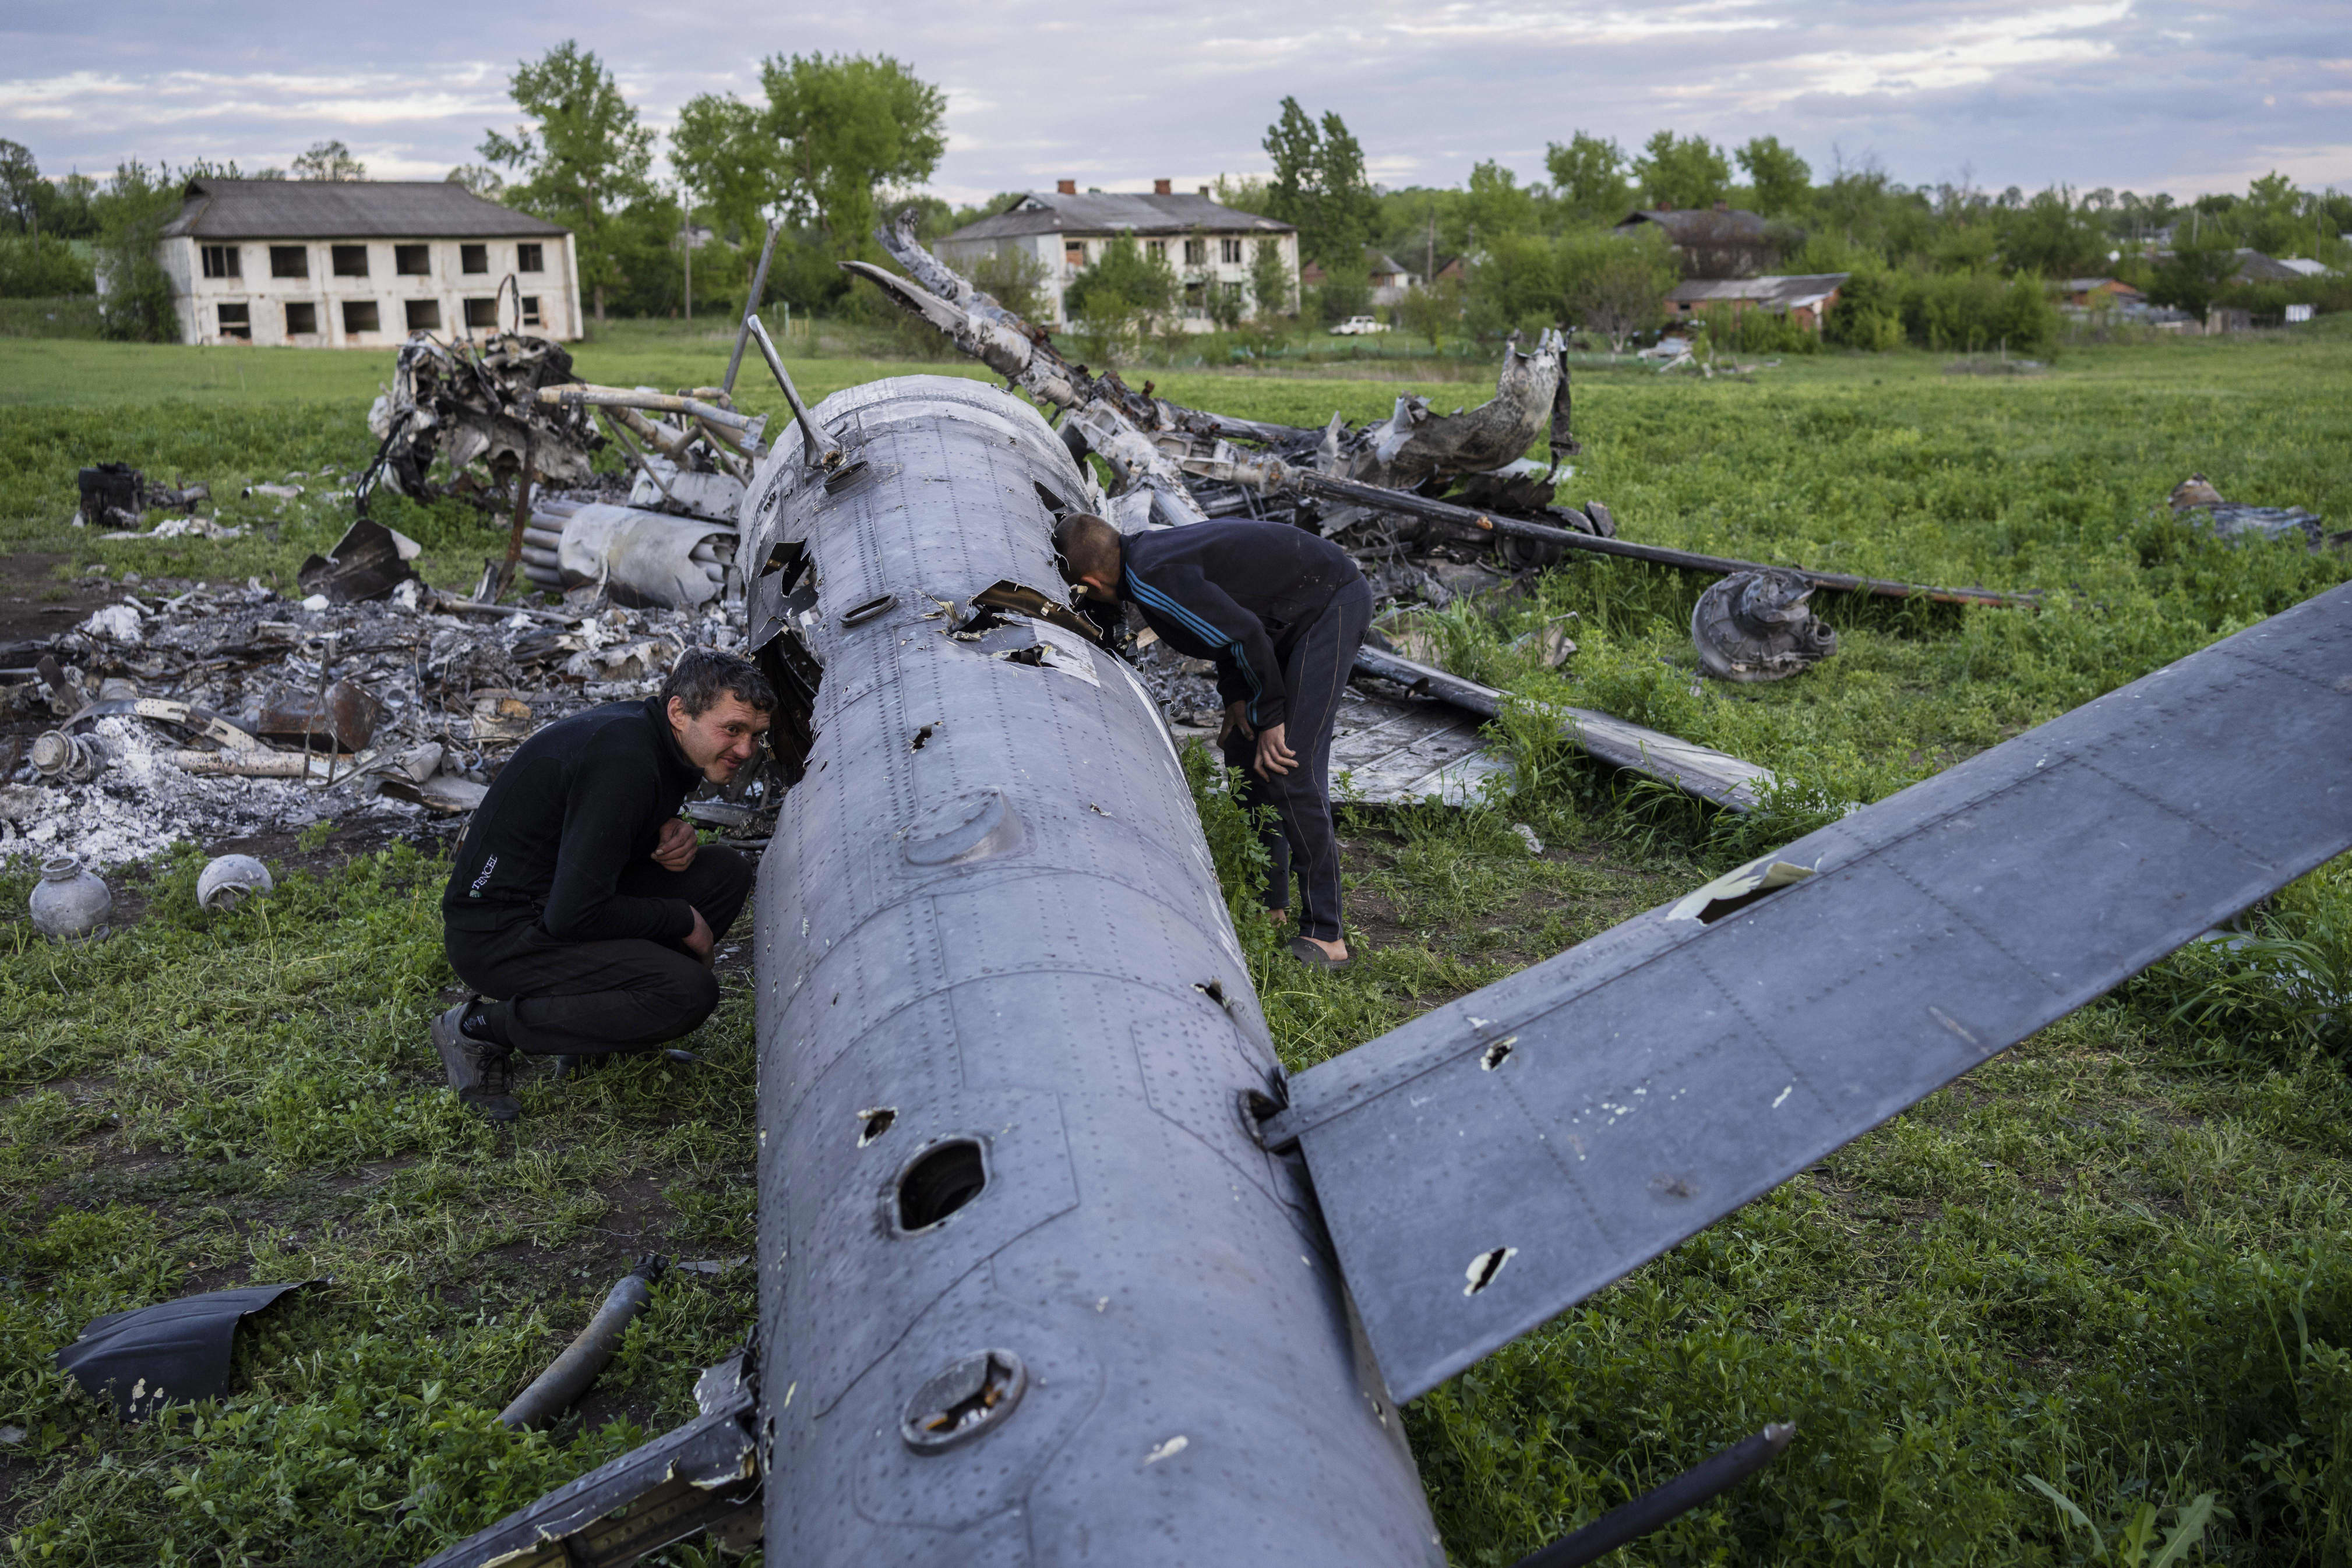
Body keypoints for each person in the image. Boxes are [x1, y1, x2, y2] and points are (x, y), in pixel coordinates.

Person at [432, 648, 775, 1120]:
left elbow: (583, 832)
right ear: (679, 712)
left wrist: (660, 829)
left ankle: (601, 1038)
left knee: (723, 874)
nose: (746, 750)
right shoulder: (624, 758)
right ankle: (478, 1029)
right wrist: (680, 918)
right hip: (497, 934)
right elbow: (573, 914)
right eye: (732, 729)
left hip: (550, 900)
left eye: (755, 735)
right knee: (686, 993)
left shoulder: (650, 736)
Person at [1053, 513, 1371, 966]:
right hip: (1286, 615)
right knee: (1243, 748)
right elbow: (1225, 625)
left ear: (1089, 583)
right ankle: (1270, 904)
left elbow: (1244, 633)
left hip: (1328, 603)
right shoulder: (1146, 557)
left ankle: (1327, 935)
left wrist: (1271, 716)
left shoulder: (1152, 580)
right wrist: (1238, 700)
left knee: (1288, 766)